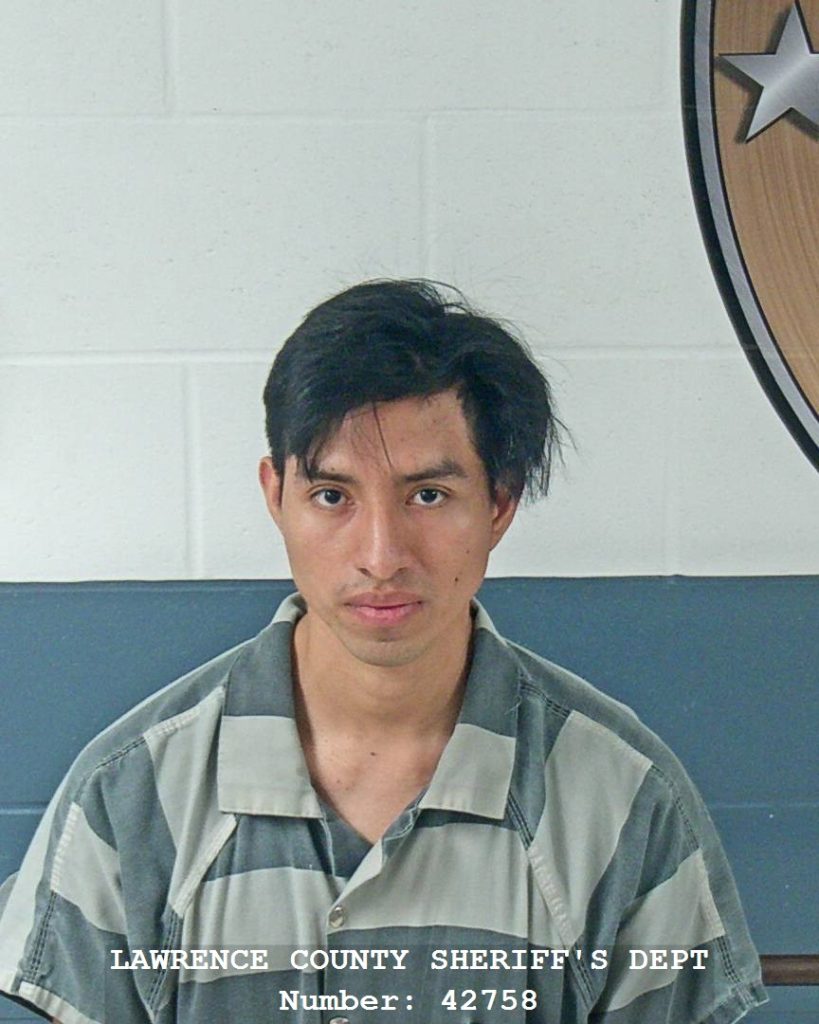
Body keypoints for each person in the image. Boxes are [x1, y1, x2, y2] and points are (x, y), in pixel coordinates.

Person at [0, 279, 766, 1023]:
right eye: (332, 496)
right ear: (275, 496)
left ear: (498, 504)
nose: (379, 555)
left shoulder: (625, 801)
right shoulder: (130, 794)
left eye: (427, 496)